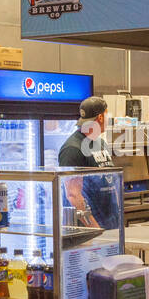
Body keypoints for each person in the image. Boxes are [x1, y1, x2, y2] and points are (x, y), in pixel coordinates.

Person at [56, 96, 122, 230]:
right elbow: (73, 194)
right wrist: (95, 229)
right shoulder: (72, 148)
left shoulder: (101, 144)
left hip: (111, 224)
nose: (109, 118)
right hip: (90, 231)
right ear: (100, 117)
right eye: (107, 113)